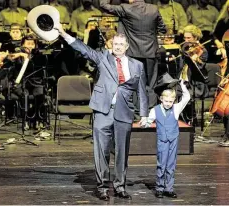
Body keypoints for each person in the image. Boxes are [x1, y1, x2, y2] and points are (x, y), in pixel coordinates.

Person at [55, 23, 148, 201]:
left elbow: (142, 91)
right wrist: (64, 34)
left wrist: (143, 114)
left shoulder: (137, 65)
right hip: (103, 110)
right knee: (101, 151)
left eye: (121, 45)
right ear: (111, 45)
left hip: (124, 112)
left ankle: (120, 186)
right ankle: (103, 187)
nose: (117, 47)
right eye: (115, 44)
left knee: (122, 152)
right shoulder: (103, 57)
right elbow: (84, 49)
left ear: (127, 47)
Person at [100, 0, 166, 109]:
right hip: (151, 52)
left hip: (133, 53)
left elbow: (104, 5)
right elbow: (162, 29)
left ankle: (135, 112)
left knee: (133, 83)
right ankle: (150, 112)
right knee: (151, 84)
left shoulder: (126, 8)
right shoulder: (154, 9)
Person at [144, 73, 190, 198]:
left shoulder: (176, 109)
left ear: (174, 100)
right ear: (161, 99)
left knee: (171, 165)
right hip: (162, 141)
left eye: (171, 101)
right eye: (166, 101)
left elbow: (186, 98)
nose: (168, 103)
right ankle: (159, 188)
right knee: (161, 164)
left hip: (173, 141)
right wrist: (145, 123)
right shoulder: (155, 110)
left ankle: (168, 188)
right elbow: (148, 122)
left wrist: (183, 86)